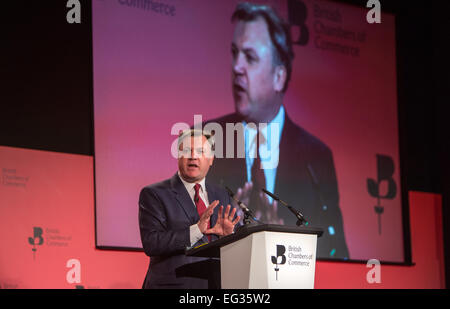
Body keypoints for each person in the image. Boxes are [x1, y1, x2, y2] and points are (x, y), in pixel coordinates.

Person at [203, 2, 349, 259]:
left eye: (250, 57)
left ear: (279, 76)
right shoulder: (205, 140)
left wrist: (286, 242)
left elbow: (337, 253)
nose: (236, 67)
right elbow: (185, 234)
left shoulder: (316, 158)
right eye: (234, 52)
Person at [139, 129, 240, 289]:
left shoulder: (222, 194)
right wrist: (197, 230)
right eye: (187, 150)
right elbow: (152, 243)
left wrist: (229, 237)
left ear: (211, 159)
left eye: (201, 151)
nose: (193, 156)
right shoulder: (155, 193)